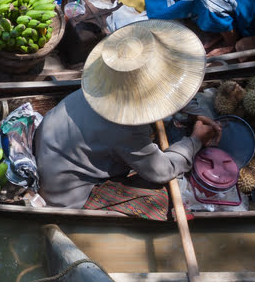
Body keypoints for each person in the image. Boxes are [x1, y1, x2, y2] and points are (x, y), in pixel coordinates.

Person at [34, 20, 221, 213]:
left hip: (51, 155)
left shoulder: (100, 89)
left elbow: (168, 87)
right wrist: (195, 141)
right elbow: (161, 171)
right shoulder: (123, 127)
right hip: (67, 196)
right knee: (161, 201)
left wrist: (191, 111)